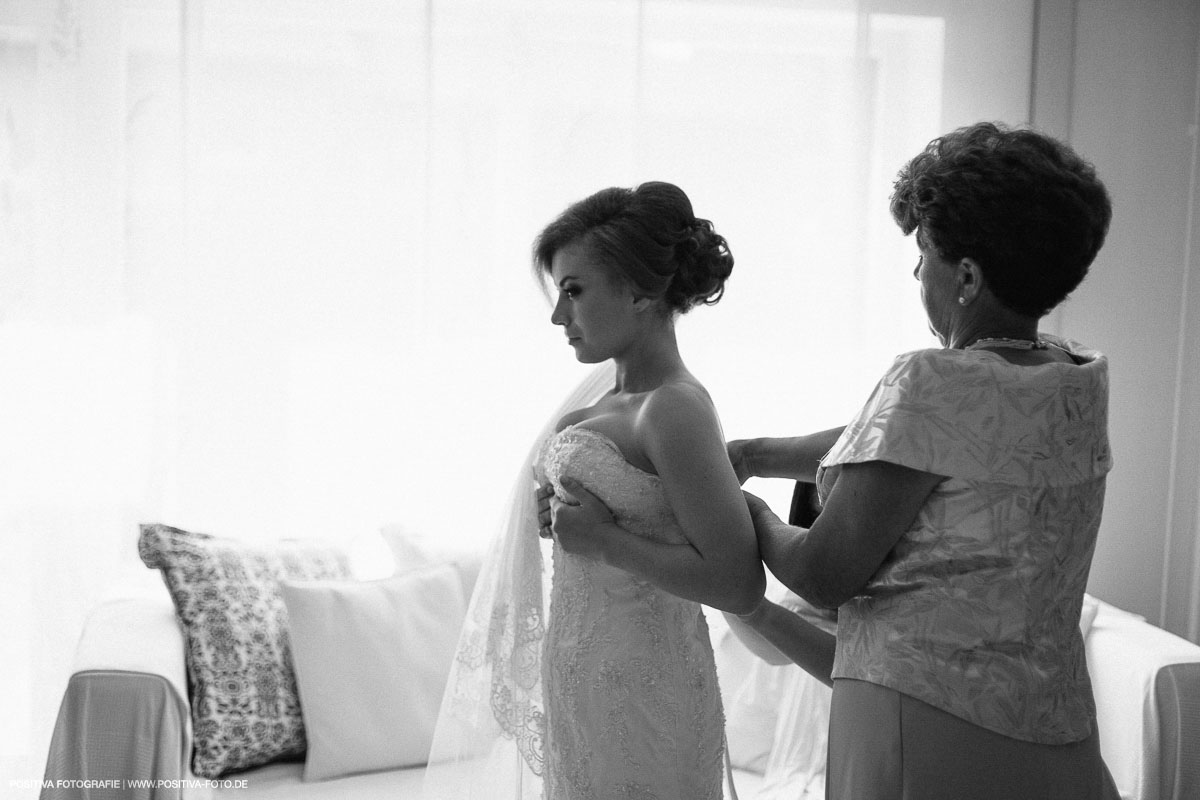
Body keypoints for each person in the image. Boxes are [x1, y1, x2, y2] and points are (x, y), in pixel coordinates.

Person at [726, 121, 1120, 800]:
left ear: (966, 274)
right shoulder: (1075, 376)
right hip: (1056, 732)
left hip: (924, 732)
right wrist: (757, 453)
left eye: (924, 256)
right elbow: (910, 441)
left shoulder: (931, 382)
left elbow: (822, 575)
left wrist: (748, 511)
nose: (915, 273)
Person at [422, 181, 763, 800]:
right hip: (581, 675)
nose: (559, 316)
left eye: (573, 291)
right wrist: (555, 512)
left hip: (648, 691)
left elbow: (738, 580)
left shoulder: (675, 409)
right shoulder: (609, 402)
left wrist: (605, 541)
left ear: (642, 290)